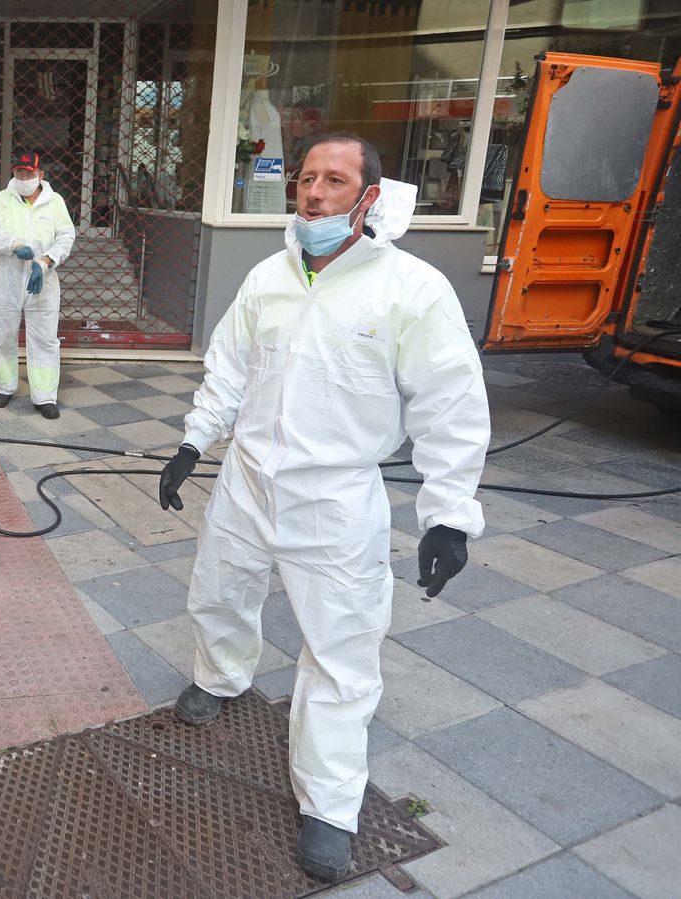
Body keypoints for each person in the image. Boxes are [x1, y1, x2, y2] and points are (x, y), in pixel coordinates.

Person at [158, 132, 489, 881]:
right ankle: (220, 674)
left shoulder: (411, 290)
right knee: (219, 592)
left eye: (334, 181)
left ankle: (329, 805)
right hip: (247, 481)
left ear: (369, 196)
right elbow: (230, 367)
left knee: (341, 653)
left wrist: (448, 511)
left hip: (335, 498)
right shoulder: (269, 277)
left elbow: (451, 405)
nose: (313, 193)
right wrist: (194, 443)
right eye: (306, 178)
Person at [0, 151, 76, 419]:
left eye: (29, 173)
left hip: (42, 278)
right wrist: (14, 246)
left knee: (44, 339)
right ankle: (5, 386)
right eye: (19, 173)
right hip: (7, 277)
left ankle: (45, 396)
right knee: (2, 336)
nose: (24, 178)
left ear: (40, 175)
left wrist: (46, 261)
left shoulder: (54, 202)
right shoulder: (3, 199)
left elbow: (66, 235)